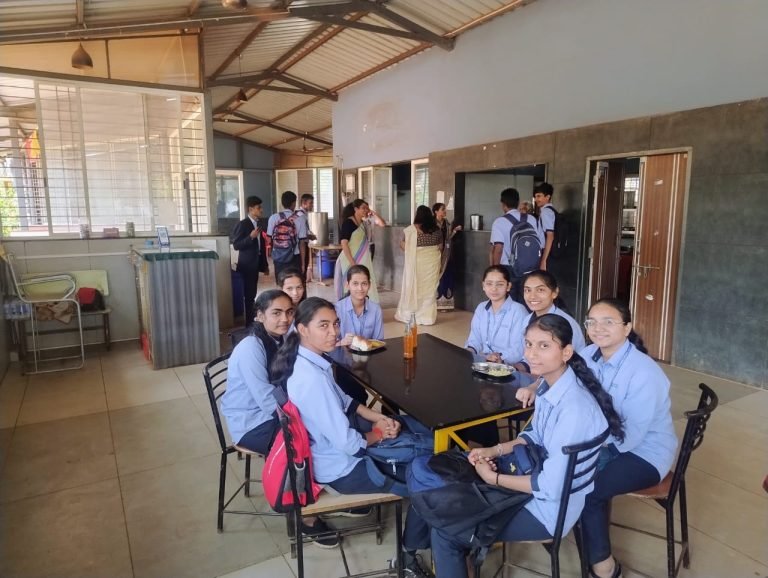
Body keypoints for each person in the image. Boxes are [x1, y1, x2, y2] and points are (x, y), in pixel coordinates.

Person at [430, 314, 625, 578]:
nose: (531, 354)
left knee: (445, 528)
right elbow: (533, 436)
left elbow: (550, 486)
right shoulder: (549, 385)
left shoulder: (574, 410)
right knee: (448, 487)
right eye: (529, 344)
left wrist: (493, 478)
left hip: (546, 511)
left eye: (544, 346)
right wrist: (494, 450)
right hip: (534, 478)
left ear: (566, 352)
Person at [272, 297, 434, 576]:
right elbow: (350, 444)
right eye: (323, 325)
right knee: (430, 479)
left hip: (337, 452)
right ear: (303, 329)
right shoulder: (309, 379)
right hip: (343, 468)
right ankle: (407, 558)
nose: (333, 332)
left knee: (417, 426)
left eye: (335, 324)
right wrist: (378, 434)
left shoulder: (311, 360)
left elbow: (346, 401)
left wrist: (378, 419)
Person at [220, 290, 338, 548]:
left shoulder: (278, 338)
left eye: (289, 312)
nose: (284, 319)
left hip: (270, 413)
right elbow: (265, 399)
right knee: (302, 441)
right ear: (260, 315)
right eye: (276, 313)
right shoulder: (251, 348)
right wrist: (303, 416)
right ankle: (305, 516)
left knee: (320, 426)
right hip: (250, 423)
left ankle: (329, 490)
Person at [579, 298, 677, 578]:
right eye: (592, 322)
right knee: (561, 468)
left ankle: (605, 567)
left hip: (644, 453)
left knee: (588, 489)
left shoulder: (644, 372)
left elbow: (630, 437)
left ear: (626, 327)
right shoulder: (589, 354)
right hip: (604, 441)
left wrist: (585, 446)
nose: (598, 328)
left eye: (608, 322)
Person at [489, 188, 544, 304]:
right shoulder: (532, 219)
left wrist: (495, 271)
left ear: (503, 204)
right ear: (518, 202)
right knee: (528, 302)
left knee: (509, 303)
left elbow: (498, 249)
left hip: (508, 269)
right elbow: (541, 244)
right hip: (530, 268)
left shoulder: (499, 222)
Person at [465, 265, 528, 365]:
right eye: (489, 284)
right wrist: (469, 352)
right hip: (484, 363)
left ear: (508, 286)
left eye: (500, 284)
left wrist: (499, 358)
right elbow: (474, 339)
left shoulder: (518, 311)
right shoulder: (481, 308)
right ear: (483, 286)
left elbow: (519, 349)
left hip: (507, 366)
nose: (494, 289)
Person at [395, 205, 442, 326]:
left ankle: (411, 315)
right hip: (432, 263)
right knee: (429, 290)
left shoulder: (411, 230)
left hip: (417, 264)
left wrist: (413, 250)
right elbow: (440, 247)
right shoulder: (437, 229)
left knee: (415, 287)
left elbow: (403, 245)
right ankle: (427, 317)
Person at [521, 270, 585, 353]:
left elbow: (575, 357)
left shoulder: (566, 323)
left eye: (540, 290)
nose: (532, 296)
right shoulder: (527, 320)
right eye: (528, 290)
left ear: (555, 292)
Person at [230, 195, 269, 327]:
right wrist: (250, 237)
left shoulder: (258, 224)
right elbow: (236, 245)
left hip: (255, 264)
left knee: (252, 294)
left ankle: (251, 322)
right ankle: (249, 324)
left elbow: (261, 246)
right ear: (250, 209)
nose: (261, 210)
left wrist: (265, 265)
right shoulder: (243, 224)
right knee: (249, 296)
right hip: (246, 266)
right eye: (258, 207)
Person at [334, 199, 380, 303]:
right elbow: (344, 243)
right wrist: (353, 263)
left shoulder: (363, 224)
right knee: (350, 286)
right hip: (349, 261)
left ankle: (366, 307)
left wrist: (374, 214)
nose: (366, 210)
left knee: (364, 284)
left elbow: (382, 224)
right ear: (356, 209)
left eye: (367, 208)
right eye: (363, 208)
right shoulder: (348, 223)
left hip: (363, 260)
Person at [267, 190, 308, 284]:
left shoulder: (273, 218)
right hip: (294, 257)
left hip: (278, 257)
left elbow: (269, 239)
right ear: (294, 203)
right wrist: (303, 264)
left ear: (282, 203)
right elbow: (302, 243)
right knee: (295, 283)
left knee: (281, 284)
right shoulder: (300, 218)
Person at [336, 264, 384, 342]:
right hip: (343, 350)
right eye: (355, 283)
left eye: (364, 283)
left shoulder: (376, 309)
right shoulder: (337, 309)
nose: (360, 288)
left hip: (370, 350)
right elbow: (330, 345)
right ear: (347, 285)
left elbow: (379, 341)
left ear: (369, 285)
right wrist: (341, 343)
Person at [433, 202, 462, 311]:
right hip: (436, 253)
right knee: (438, 276)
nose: (445, 211)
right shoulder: (432, 224)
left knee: (448, 275)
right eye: (442, 209)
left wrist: (455, 231)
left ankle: (446, 302)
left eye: (444, 209)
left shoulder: (446, 223)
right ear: (436, 211)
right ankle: (436, 302)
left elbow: (448, 237)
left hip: (447, 253)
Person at [533, 182, 556, 271]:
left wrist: (544, 260)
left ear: (548, 197)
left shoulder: (546, 212)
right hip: (551, 253)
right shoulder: (552, 210)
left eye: (539, 196)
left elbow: (550, 236)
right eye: (535, 197)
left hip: (547, 252)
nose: (536, 199)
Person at [295, 194, 316, 281]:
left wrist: (309, 236)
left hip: (300, 245)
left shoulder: (300, 214)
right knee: (302, 271)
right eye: (310, 203)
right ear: (304, 203)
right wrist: (303, 263)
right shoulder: (301, 216)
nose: (312, 205)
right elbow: (302, 239)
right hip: (301, 246)